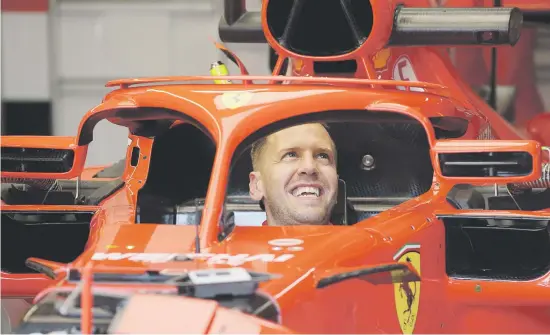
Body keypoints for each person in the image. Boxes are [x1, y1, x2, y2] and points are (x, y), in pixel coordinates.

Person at [248, 123, 338, 226]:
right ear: (256, 186)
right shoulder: (232, 242)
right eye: (291, 155)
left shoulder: (359, 241)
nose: (310, 167)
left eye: (322, 156)